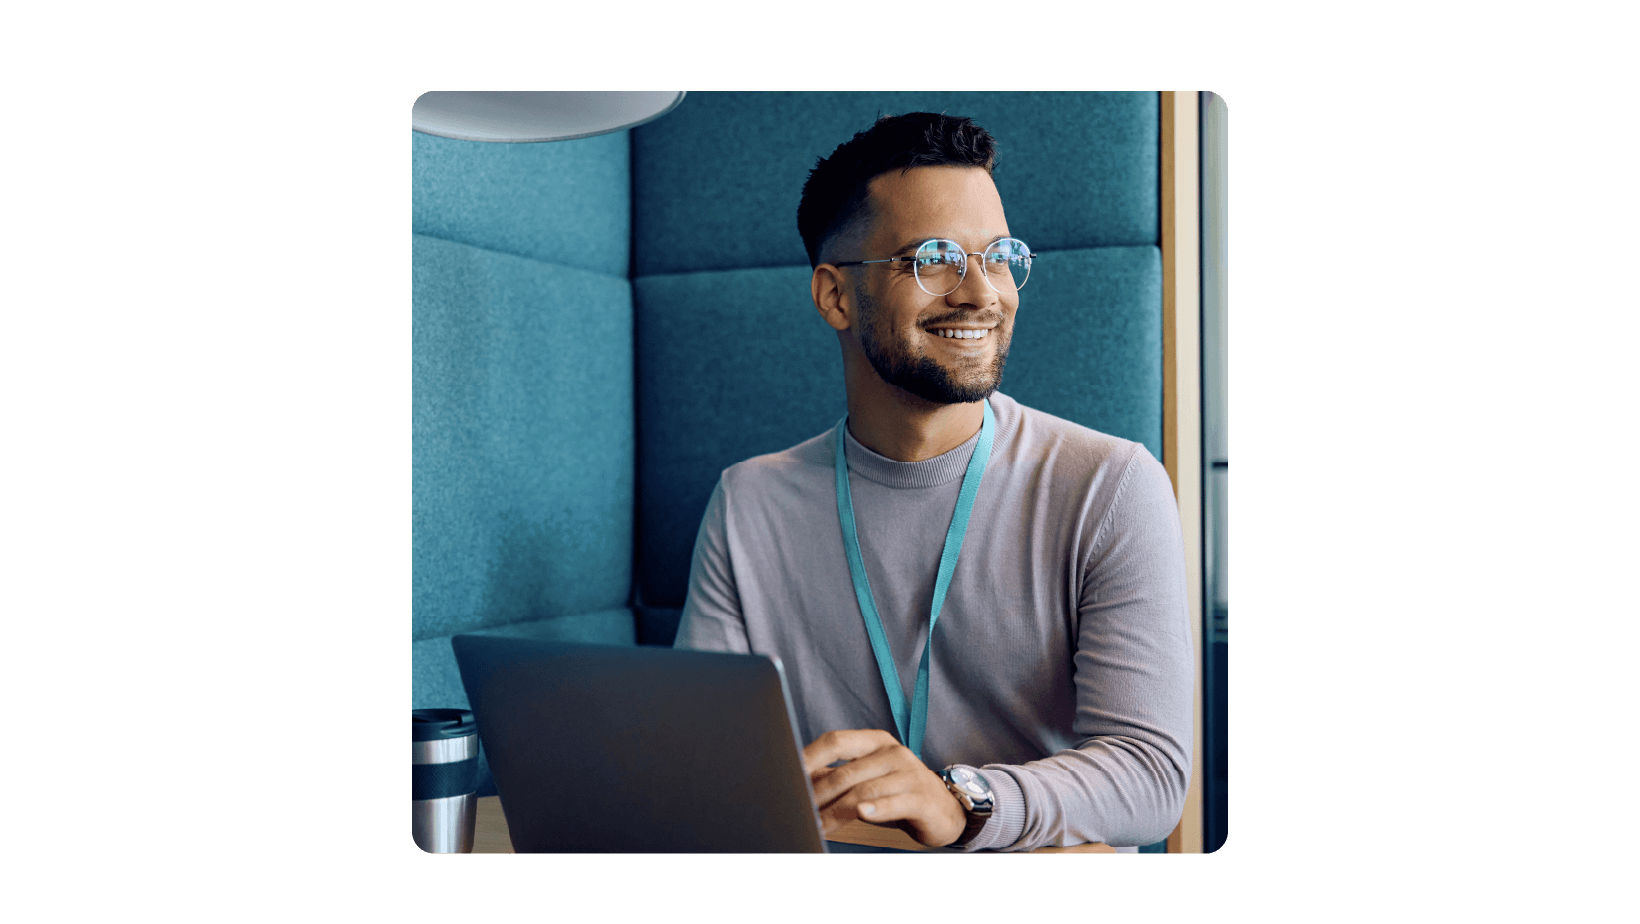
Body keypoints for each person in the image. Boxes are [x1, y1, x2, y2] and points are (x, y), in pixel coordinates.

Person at [672, 112, 1192, 853]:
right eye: (935, 259)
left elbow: (1150, 778)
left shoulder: (1110, 486)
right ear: (836, 296)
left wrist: (964, 803)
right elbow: (705, 766)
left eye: (1000, 255)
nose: (983, 293)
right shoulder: (749, 501)